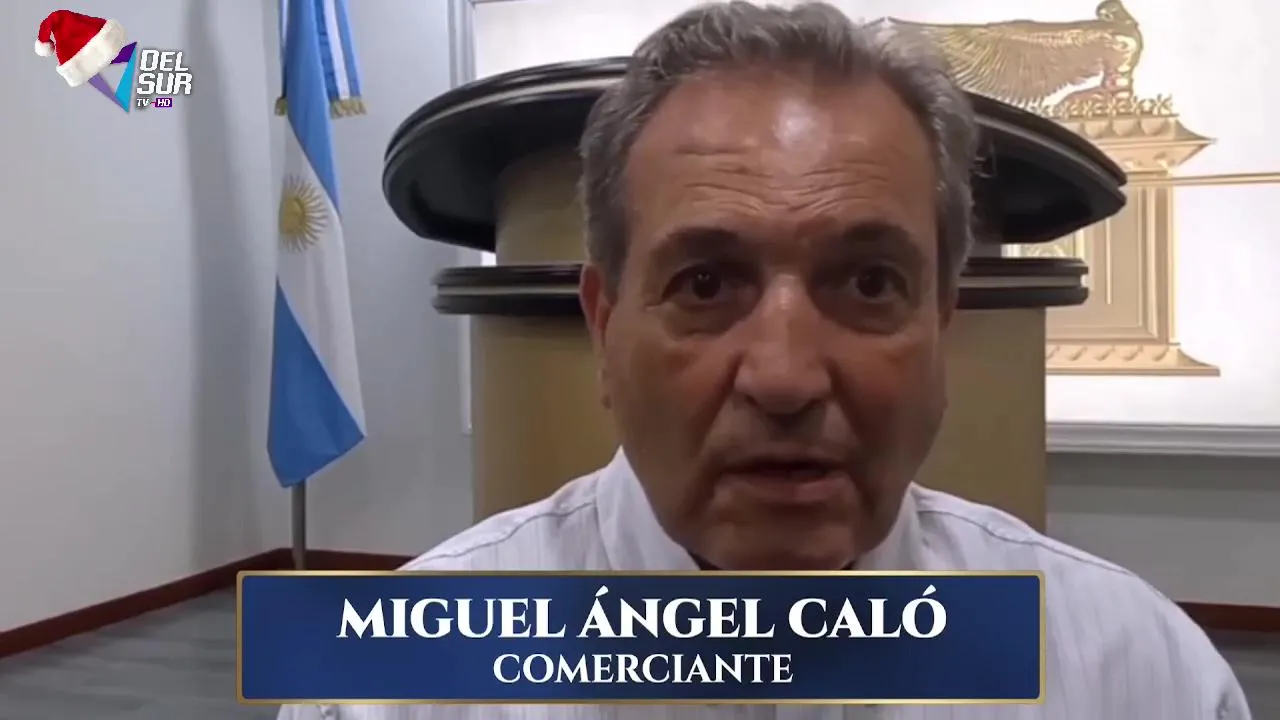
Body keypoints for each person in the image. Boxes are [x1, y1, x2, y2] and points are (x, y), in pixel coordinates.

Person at [281, 2, 1251, 718]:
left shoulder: (1136, 675)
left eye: (867, 283)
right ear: (606, 329)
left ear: (942, 328)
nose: (784, 377)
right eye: (705, 284)